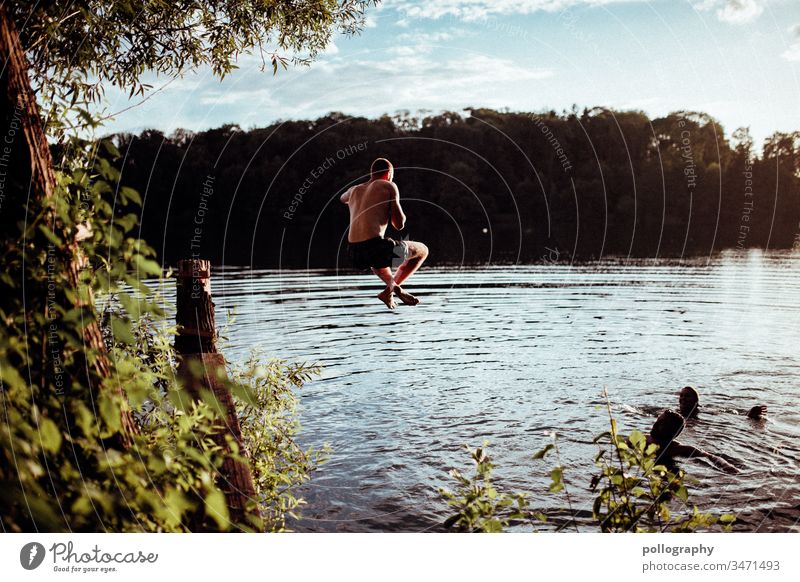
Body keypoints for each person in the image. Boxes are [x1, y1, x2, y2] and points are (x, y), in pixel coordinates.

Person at [341, 158, 429, 309]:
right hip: (376, 248)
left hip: (354, 254)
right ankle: (389, 292)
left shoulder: (354, 190)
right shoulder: (388, 185)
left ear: (371, 173)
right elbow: (399, 225)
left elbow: (342, 198)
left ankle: (393, 288)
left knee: (377, 256)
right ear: (389, 173)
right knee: (422, 250)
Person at [646, 410, 739, 474]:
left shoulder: (680, 449)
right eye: (657, 420)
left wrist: (727, 467)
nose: (655, 425)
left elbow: (711, 456)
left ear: (674, 432)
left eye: (662, 423)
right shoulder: (642, 440)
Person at [678, 386, 766, 420]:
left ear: (696, 401)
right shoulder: (676, 412)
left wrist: (748, 414)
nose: (683, 398)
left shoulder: (702, 412)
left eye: (687, 396)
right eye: (681, 396)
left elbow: (728, 413)